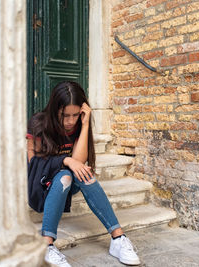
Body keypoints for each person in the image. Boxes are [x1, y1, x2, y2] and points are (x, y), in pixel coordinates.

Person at [27, 81, 140, 266]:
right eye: (65, 115)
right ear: (55, 109)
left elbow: (79, 163)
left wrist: (86, 124)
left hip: (66, 181)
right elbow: (35, 165)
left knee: (83, 176)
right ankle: (46, 244)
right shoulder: (38, 123)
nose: (71, 121)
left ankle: (118, 238)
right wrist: (65, 160)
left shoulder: (79, 124)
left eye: (75, 115)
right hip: (41, 184)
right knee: (65, 176)